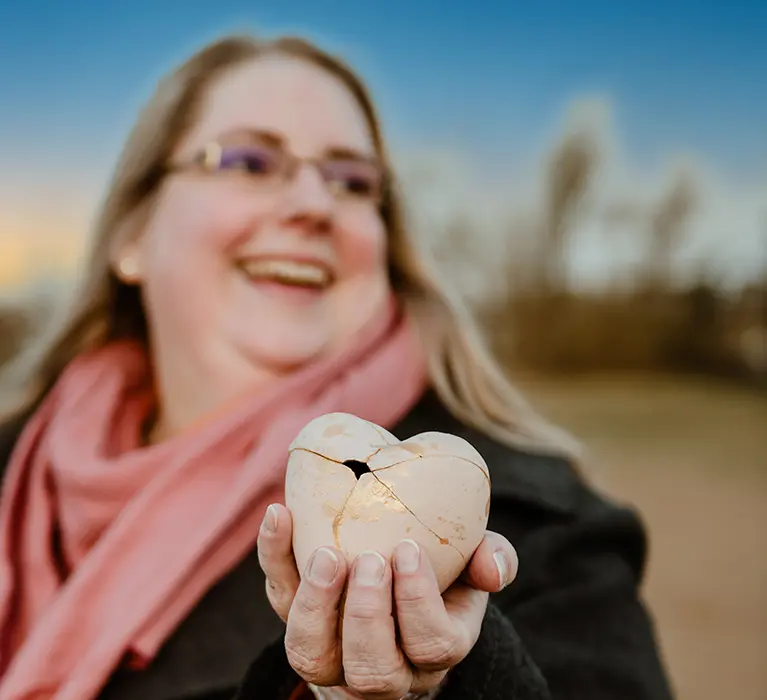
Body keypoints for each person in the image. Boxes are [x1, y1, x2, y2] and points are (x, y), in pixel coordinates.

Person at [0, 33, 675, 700]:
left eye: (352, 182)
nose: (313, 205)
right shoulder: (13, 469)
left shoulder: (532, 535)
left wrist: (458, 686)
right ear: (131, 235)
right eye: (247, 161)